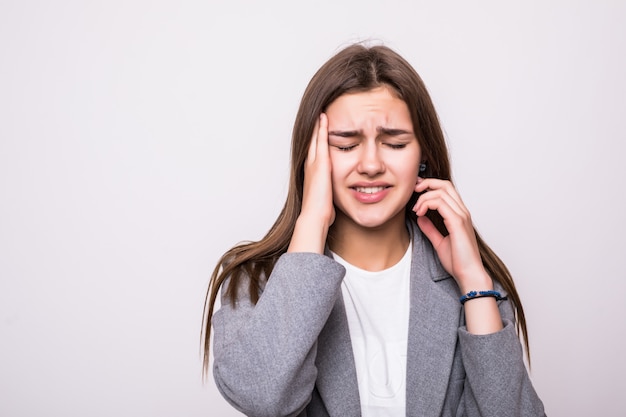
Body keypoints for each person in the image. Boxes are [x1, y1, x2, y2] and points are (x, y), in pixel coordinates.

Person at [201, 43, 546, 417]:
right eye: (346, 145)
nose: (370, 164)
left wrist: (474, 281)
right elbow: (264, 398)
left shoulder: (473, 285)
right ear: (313, 158)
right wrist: (312, 221)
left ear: (423, 155)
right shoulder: (255, 280)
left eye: (394, 143)